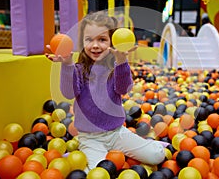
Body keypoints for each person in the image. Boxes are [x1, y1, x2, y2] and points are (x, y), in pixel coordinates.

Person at [46, 11, 165, 171]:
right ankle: (82, 157)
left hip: (116, 133)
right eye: (89, 40)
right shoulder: (79, 70)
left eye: (102, 40)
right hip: (90, 138)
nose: (95, 45)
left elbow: (125, 89)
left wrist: (122, 61)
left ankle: (149, 145)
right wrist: (67, 65)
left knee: (158, 155)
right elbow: (68, 93)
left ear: (112, 42)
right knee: (101, 172)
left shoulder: (115, 68)